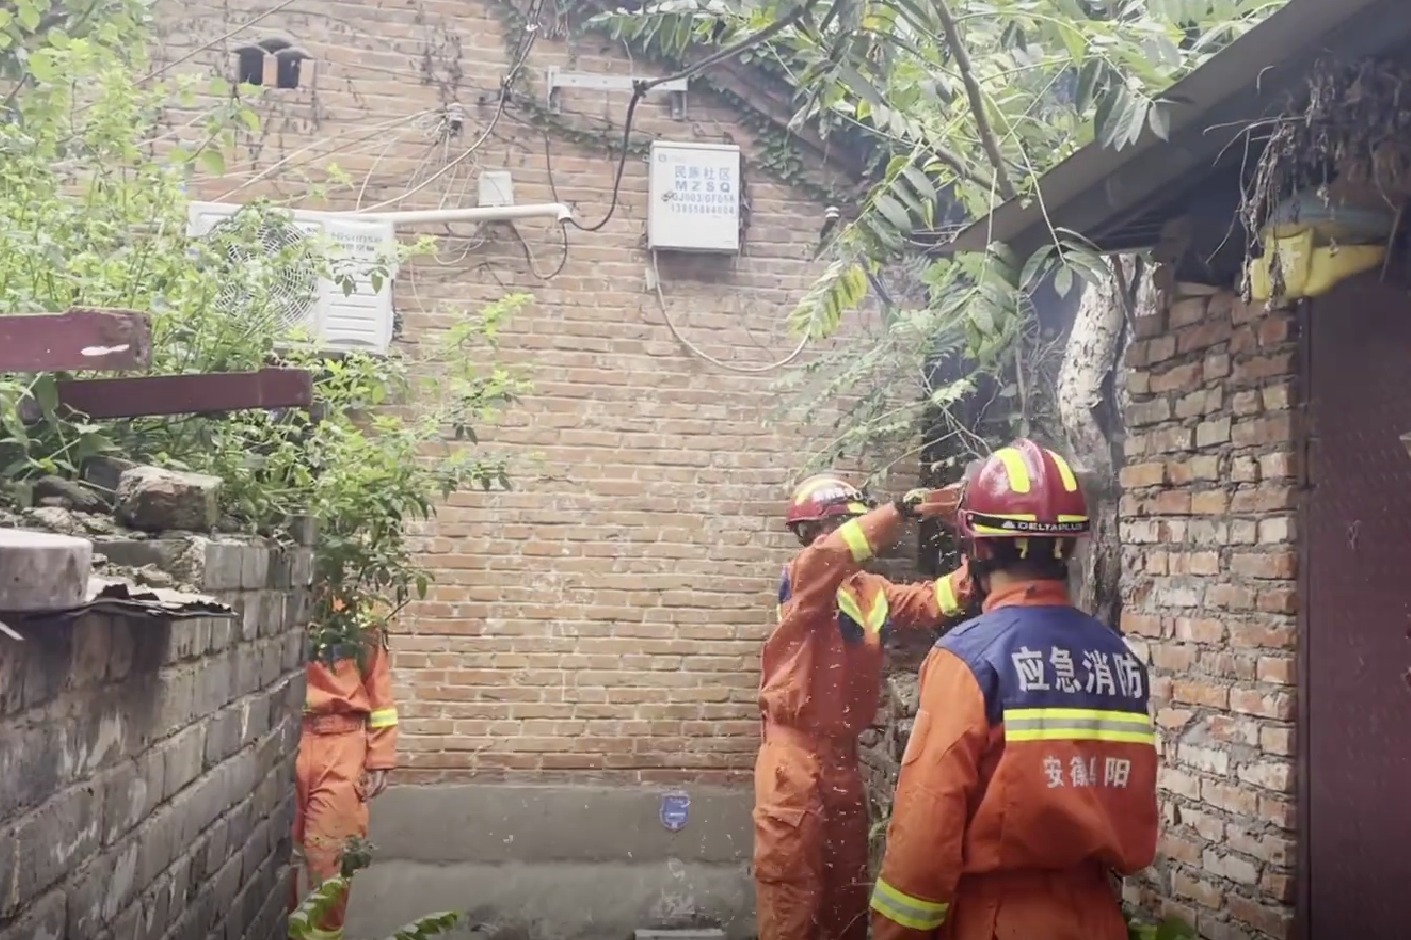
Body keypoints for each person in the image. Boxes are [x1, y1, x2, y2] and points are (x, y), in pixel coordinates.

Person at [869, 439, 1159, 940]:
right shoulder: (1119, 658)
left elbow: (926, 832)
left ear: (977, 548)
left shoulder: (967, 659)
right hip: (1099, 919)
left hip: (998, 919)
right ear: (1068, 547)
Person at [754, 472, 975, 940]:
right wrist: (902, 511)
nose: (839, 539)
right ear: (811, 534)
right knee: (791, 892)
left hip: (840, 758)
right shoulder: (804, 576)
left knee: (847, 892)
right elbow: (836, 553)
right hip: (791, 759)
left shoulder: (868, 589)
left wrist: (979, 559)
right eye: (832, 528)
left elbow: (927, 602)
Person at [292, 603, 400, 940]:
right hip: (286, 736)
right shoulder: (284, 605)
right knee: (278, 860)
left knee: (331, 858)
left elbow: (378, 689)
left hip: (341, 742)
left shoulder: (360, 620)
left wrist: (380, 755)